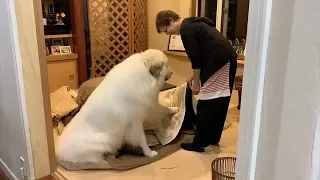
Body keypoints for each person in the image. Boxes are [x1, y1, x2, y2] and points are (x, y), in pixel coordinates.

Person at [156, 10, 238, 152]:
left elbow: (196, 59)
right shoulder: (193, 24)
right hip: (227, 60)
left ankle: (199, 143)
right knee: (220, 101)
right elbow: (202, 53)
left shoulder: (186, 29)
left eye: (167, 30)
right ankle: (213, 138)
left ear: (170, 20)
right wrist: (193, 77)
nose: (169, 34)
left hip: (218, 62)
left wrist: (196, 84)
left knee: (205, 104)